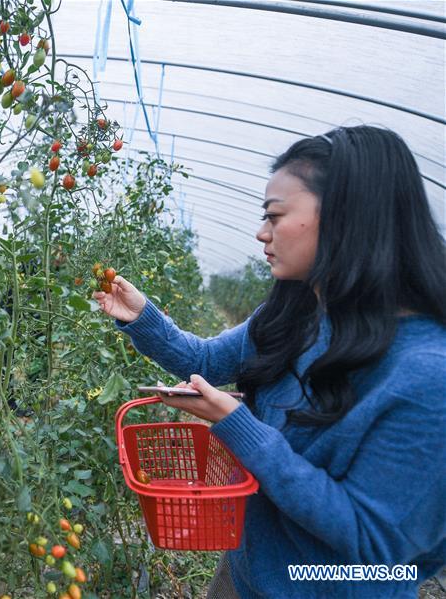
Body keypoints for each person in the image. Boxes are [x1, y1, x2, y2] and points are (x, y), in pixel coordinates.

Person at [94, 126, 446, 598]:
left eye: (275, 216)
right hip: (245, 572)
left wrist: (241, 427)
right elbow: (205, 360)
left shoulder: (427, 376)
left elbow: (373, 540)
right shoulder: (295, 314)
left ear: (347, 216)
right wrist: (142, 318)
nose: (262, 233)